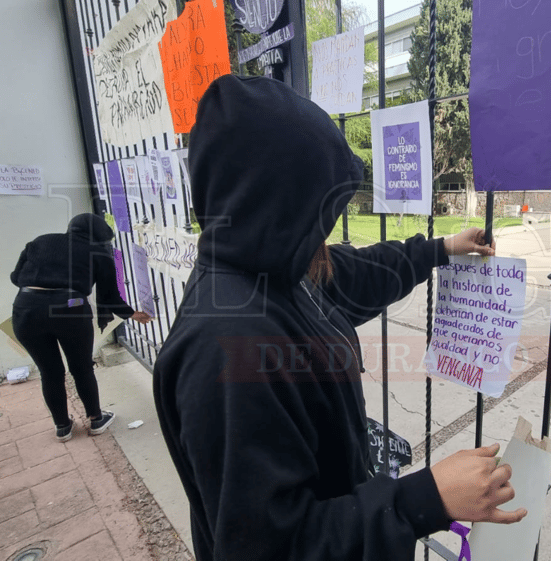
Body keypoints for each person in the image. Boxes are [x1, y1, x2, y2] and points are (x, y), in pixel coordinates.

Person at [153, 75, 527, 561]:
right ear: (276, 200)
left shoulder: (272, 265)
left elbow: (360, 272)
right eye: (320, 207)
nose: (325, 230)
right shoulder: (224, 347)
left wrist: (438, 249)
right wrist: (424, 500)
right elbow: (273, 547)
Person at [11, 213, 152, 441]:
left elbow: (16, 278)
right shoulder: (99, 252)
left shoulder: (40, 241)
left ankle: (62, 427)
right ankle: (97, 420)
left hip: (26, 309)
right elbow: (110, 295)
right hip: (71, 309)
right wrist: (132, 314)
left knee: (49, 371)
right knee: (82, 368)